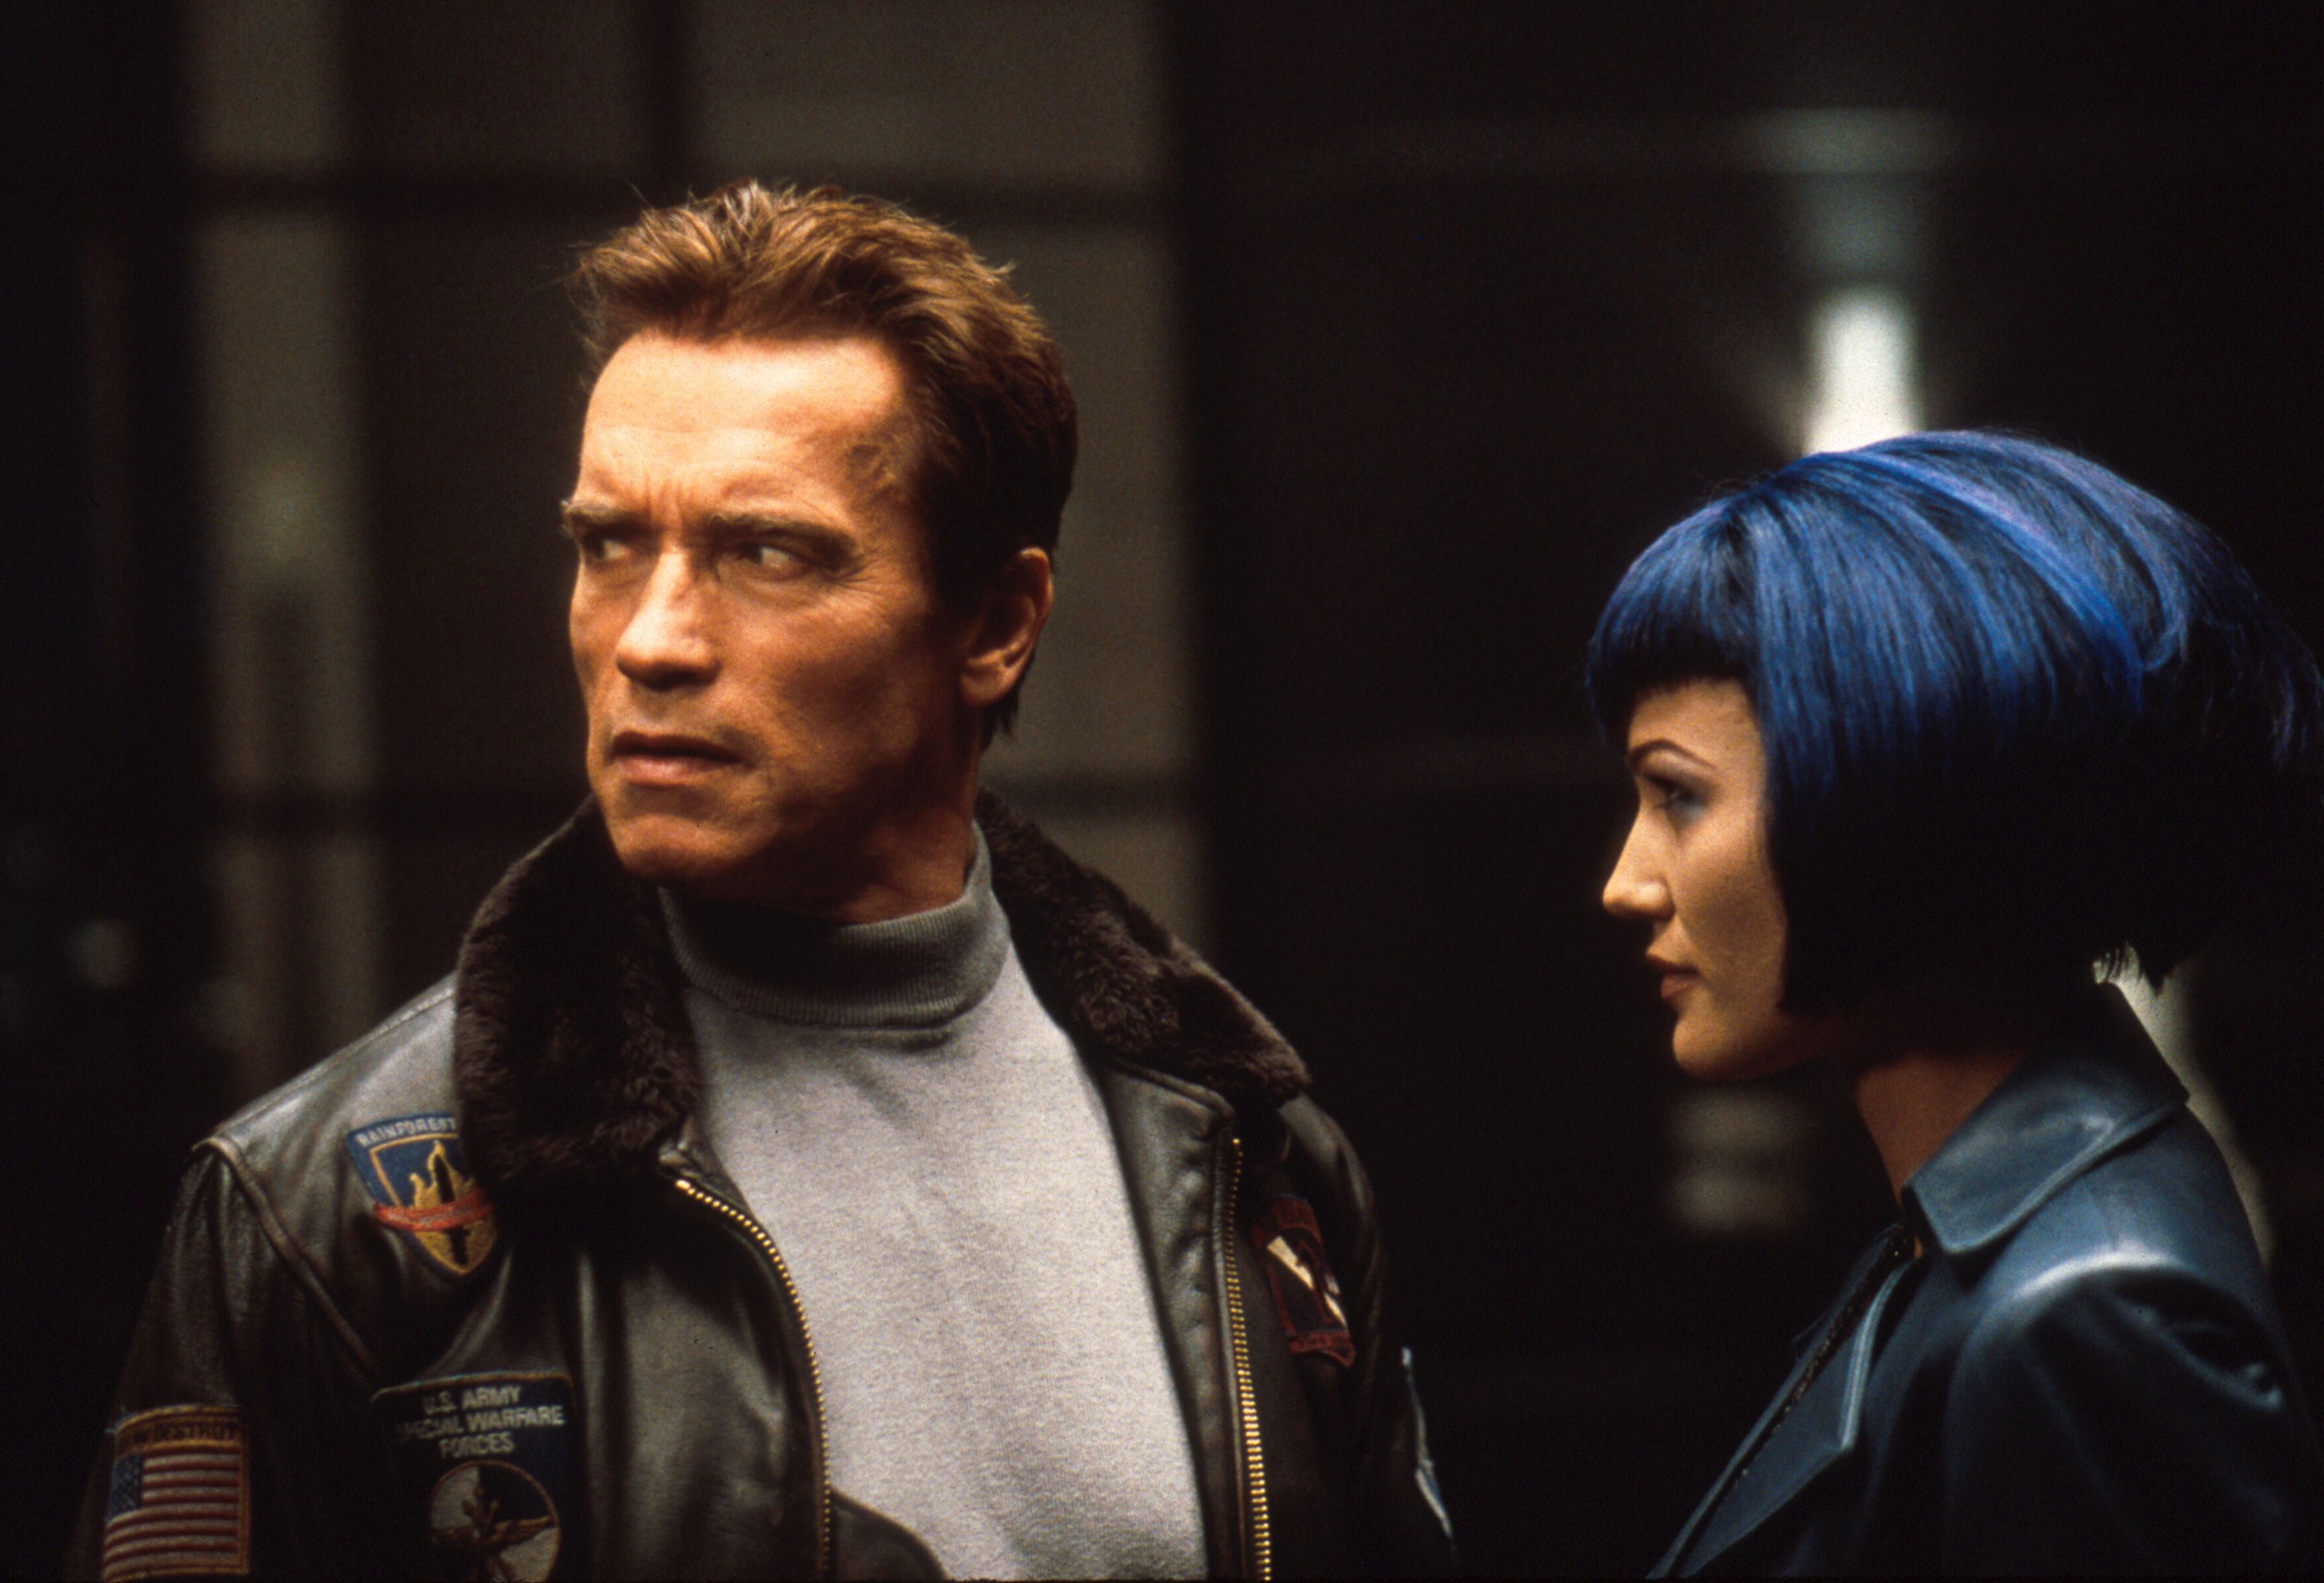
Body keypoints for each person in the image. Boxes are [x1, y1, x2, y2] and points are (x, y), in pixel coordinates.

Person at [69, 183, 1452, 1581]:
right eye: (609, 546)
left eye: (766, 553)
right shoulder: (321, 1213)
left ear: (994, 624)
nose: (651, 640)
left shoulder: (1248, 1155)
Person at [1588, 431, 2324, 1574]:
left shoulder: (2083, 1315)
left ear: (1890, 804)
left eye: (1677, 795)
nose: (1625, 884)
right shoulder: (1977, 1234)